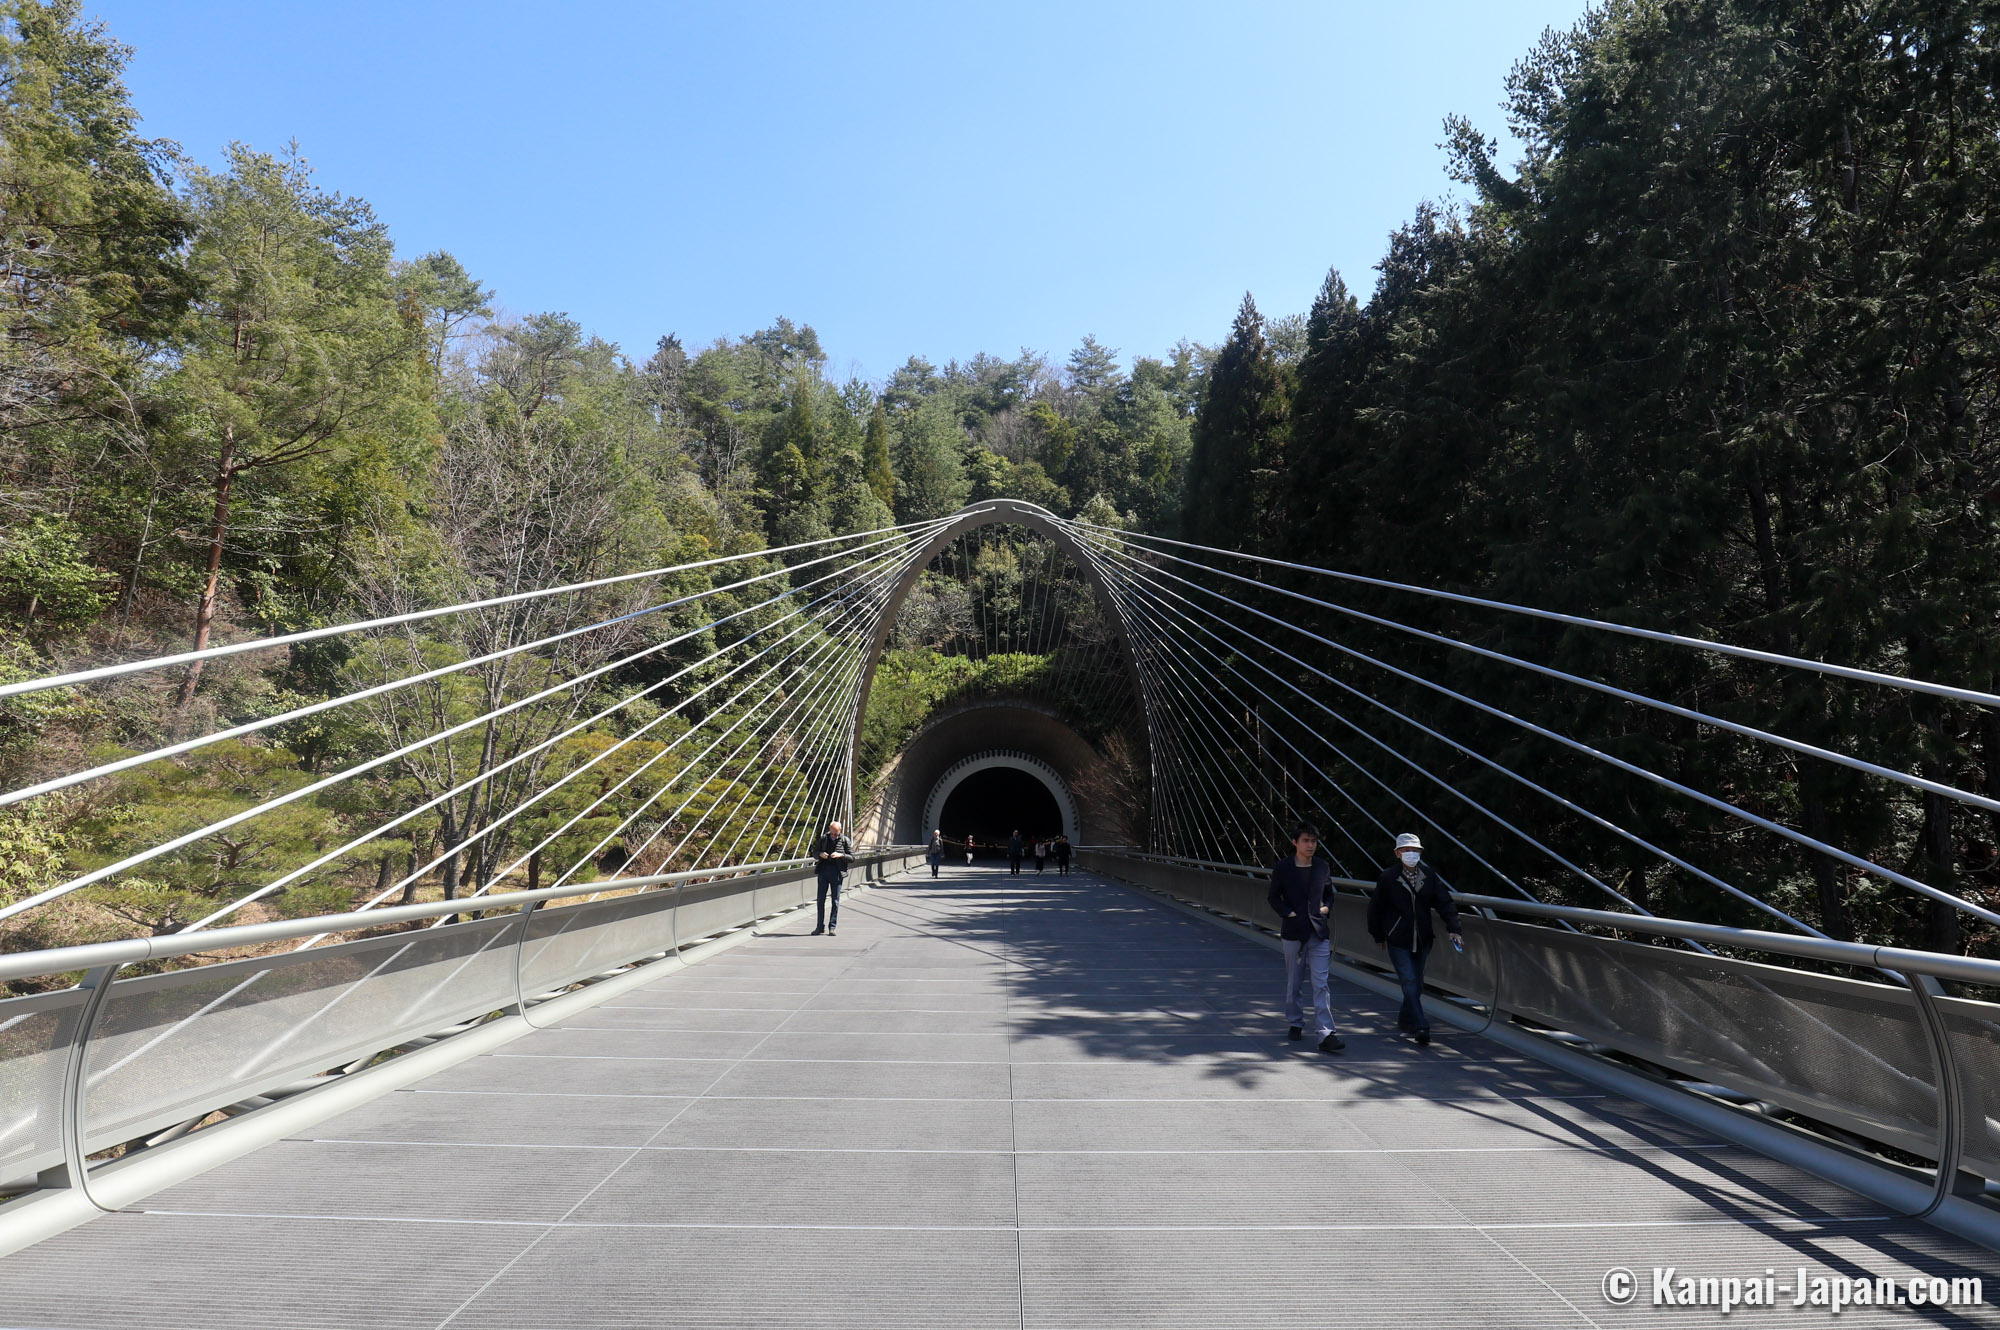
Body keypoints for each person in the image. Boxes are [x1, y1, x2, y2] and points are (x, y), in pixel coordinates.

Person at [1366, 832, 1462, 1046]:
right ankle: (1421, 1025)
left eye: (1416, 850)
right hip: (1398, 938)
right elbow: (1376, 909)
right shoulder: (1388, 877)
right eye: (1407, 850)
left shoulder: (1428, 876)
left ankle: (1405, 1018)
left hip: (1424, 938)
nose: (1412, 854)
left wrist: (1454, 928)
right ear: (1398, 853)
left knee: (1416, 983)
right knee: (1408, 980)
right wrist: (1378, 934)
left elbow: (1444, 902)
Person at [1268, 823, 1344, 1054]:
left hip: (1318, 932)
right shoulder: (1283, 868)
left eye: (1314, 841)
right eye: (1306, 841)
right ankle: (1295, 1022)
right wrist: (1288, 913)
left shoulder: (1322, 866)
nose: (1311, 845)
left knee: (1321, 983)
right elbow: (1273, 897)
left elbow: (1329, 894)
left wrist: (1326, 908)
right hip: (1293, 932)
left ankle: (1325, 1033)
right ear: (1295, 842)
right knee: (1295, 981)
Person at [812, 819, 854, 935]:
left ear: (840, 831)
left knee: (835, 901)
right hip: (823, 872)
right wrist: (820, 854)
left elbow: (852, 858)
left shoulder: (845, 840)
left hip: (837, 873)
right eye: (832, 834)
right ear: (829, 830)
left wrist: (841, 855)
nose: (834, 836)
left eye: (836, 834)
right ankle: (819, 926)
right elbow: (814, 853)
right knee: (820, 900)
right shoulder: (823, 839)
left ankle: (832, 927)